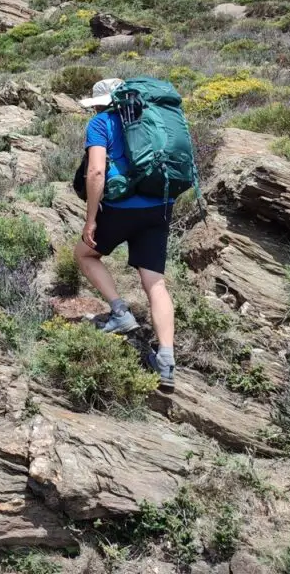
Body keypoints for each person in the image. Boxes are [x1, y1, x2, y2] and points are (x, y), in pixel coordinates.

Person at [74, 78, 176, 391]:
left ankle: (120, 313)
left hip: (121, 207)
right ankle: (167, 361)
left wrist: (91, 219)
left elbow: (96, 173)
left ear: (101, 103)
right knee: (155, 282)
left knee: (85, 254)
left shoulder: (101, 123)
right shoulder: (153, 119)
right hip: (160, 205)